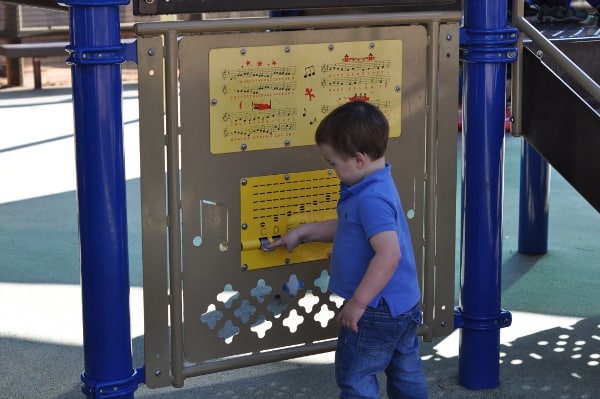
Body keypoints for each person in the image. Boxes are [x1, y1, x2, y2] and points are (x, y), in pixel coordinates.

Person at [267, 101, 428, 399]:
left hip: (376, 308)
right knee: (405, 368)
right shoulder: (376, 182)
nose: (332, 170)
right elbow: (350, 227)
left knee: (356, 375)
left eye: (333, 164)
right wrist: (304, 232)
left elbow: (388, 254)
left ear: (358, 159)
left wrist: (358, 303)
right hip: (403, 304)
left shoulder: (371, 199)